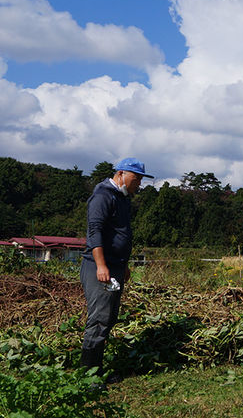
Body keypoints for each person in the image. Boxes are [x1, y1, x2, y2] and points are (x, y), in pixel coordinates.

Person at [80, 158, 153, 376]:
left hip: (116, 267)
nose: (138, 184)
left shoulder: (122, 198)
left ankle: (97, 369)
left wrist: (125, 265)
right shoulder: (103, 196)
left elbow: (119, 234)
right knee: (99, 318)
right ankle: (88, 375)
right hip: (99, 267)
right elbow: (95, 231)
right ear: (121, 174)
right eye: (136, 178)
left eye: (140, 180)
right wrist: (101, 265)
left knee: (109, 316)